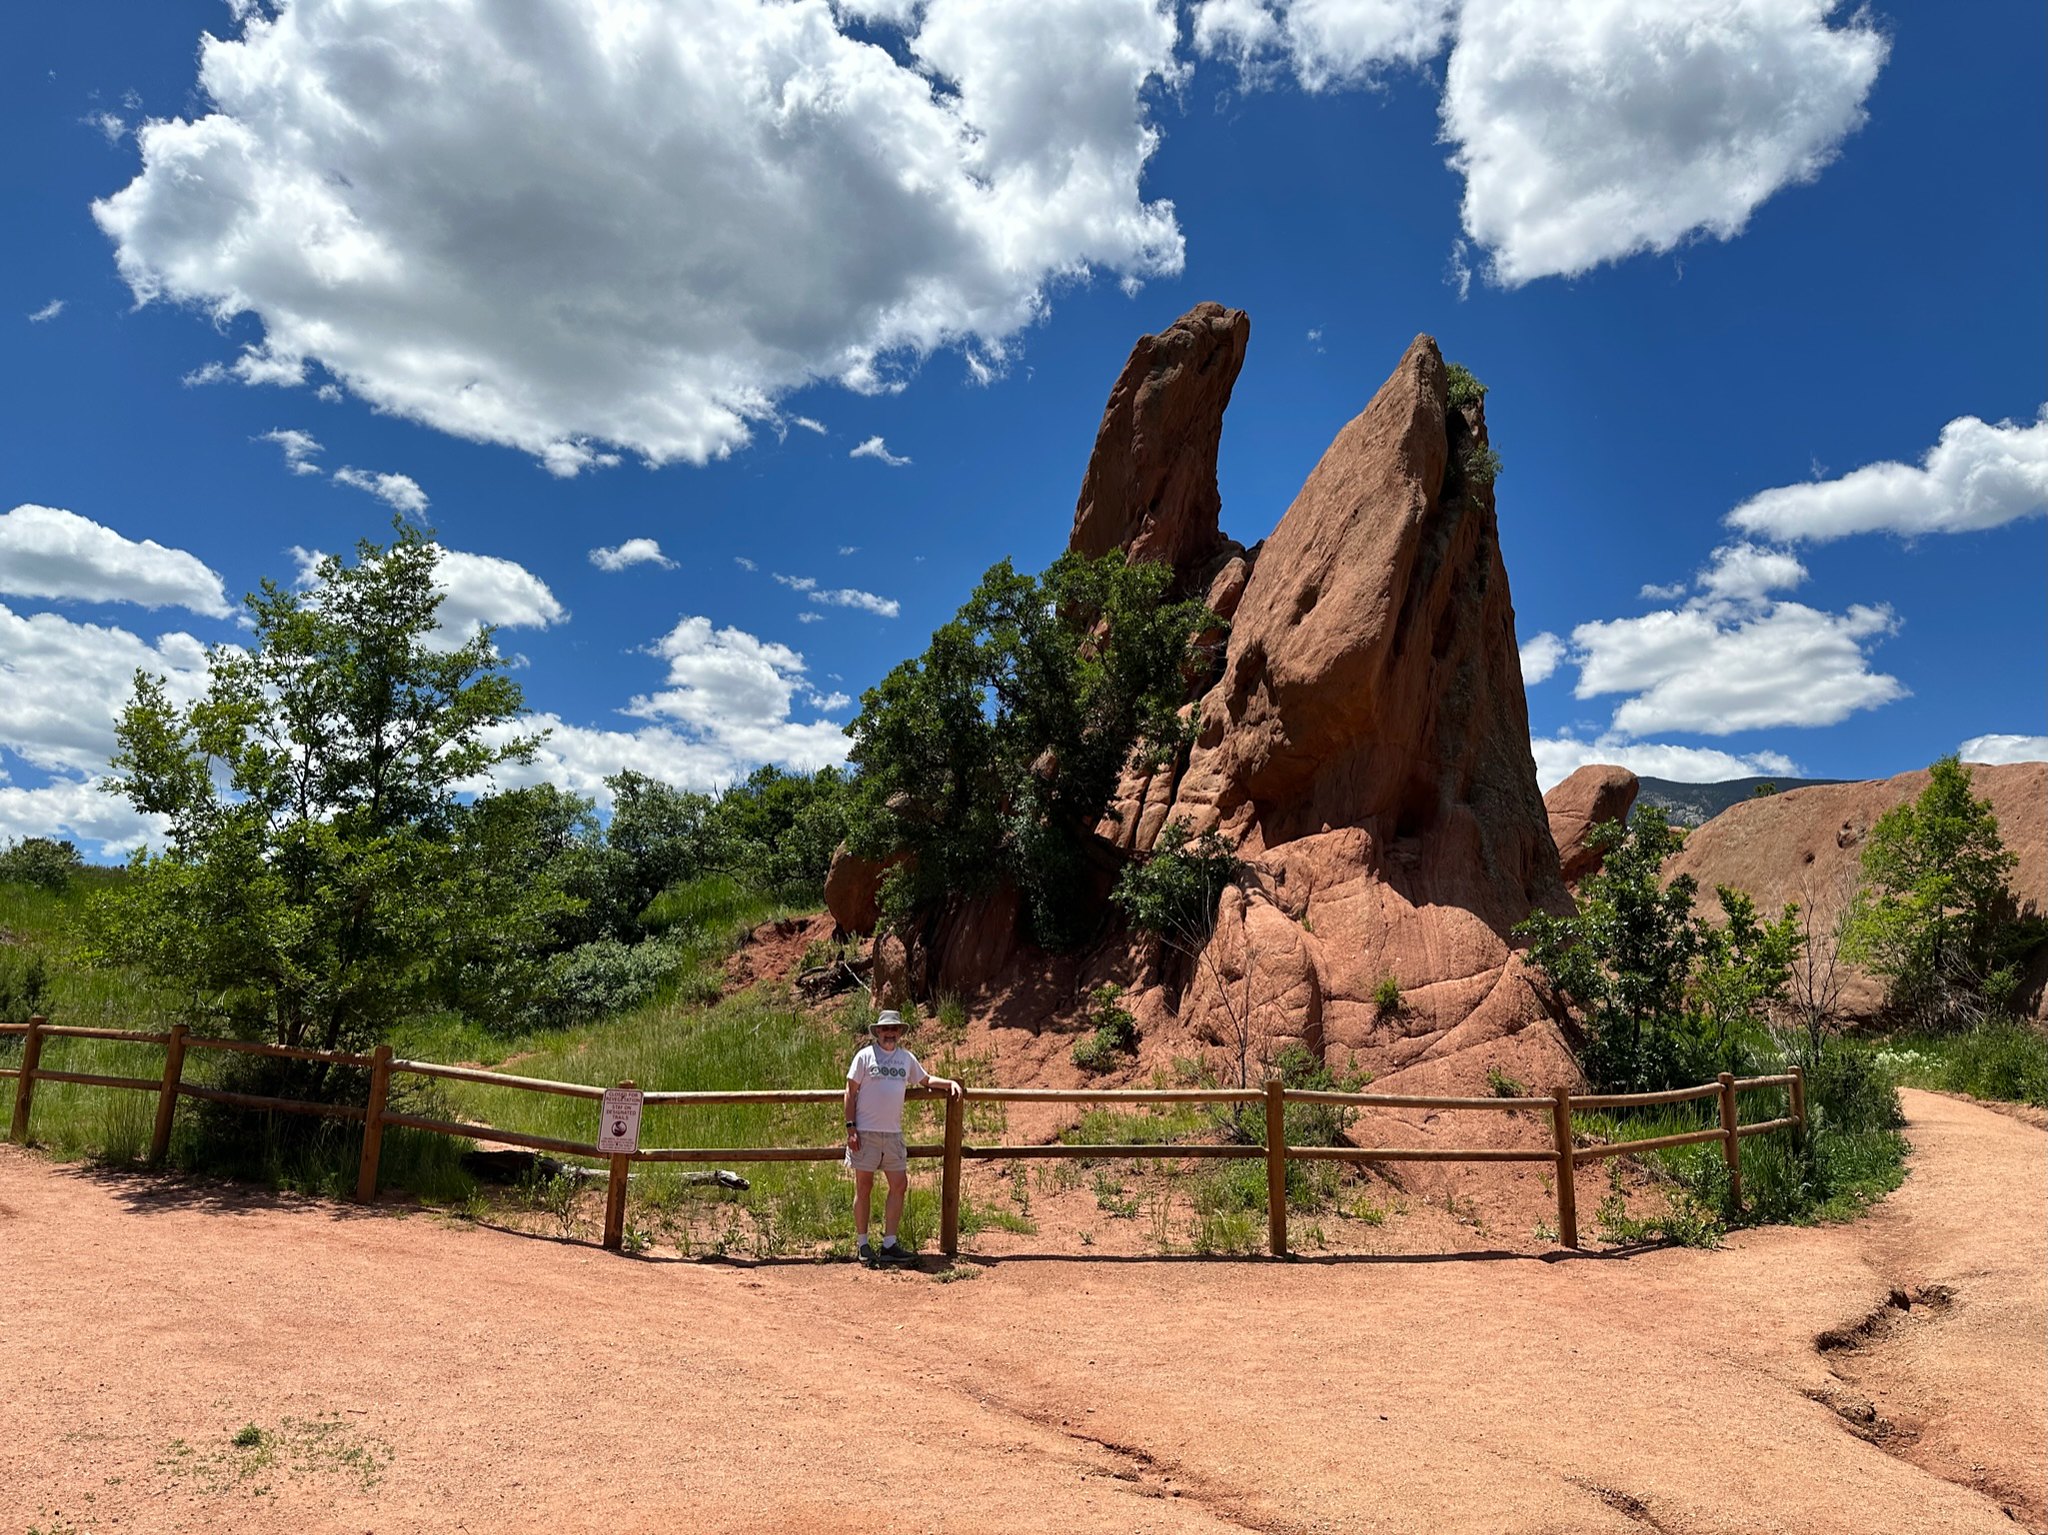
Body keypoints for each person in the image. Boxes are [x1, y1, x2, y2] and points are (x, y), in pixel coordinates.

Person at [844, 1009, 960, 1267]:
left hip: (893, 1134)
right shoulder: (864, 1056)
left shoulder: (905, 1058)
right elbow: (850, 1093)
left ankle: (889, 1244)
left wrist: (949, 1083)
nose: (889, 1033)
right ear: (878, 1032)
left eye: (894, 1029)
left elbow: (925, 1079)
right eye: (885, 1029)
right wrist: (851, 1128)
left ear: (899, 1032)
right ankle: (863, 1244)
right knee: (863, 1187)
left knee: (899, 1184)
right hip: (866, 1132)